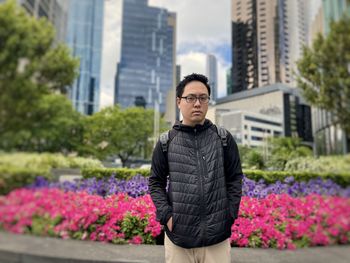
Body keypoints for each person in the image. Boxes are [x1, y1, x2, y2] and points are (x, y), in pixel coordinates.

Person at [149, 73, 243, 263]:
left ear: (208, 101)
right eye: (190, 98)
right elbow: (155, 182)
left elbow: (235, 179)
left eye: (203, 98)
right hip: (179, 240)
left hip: (217, 240)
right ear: (179, 101)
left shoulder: (223, 138)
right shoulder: (166, 142)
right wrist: (167, 216)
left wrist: (229, 215)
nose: (197, 103)